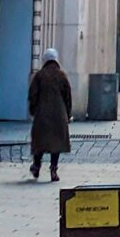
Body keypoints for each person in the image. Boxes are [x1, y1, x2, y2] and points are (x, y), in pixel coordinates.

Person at [27, 49, 72, 182]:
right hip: (59, 115)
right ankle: (53, 169)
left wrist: (33, 110)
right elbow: (68, 97)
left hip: (42, 115)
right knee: (56, 143)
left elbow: (33, 95)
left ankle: (36, 165)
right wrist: (68, 114)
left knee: (39, 142)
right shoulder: (62, 76)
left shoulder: (39, 76)